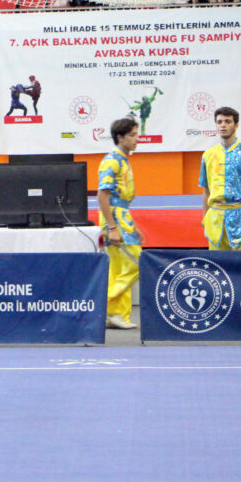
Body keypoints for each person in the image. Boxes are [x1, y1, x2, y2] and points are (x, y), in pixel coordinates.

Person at [199, 107, 241, 250]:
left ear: (236, 125)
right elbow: (206, 190)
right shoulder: (208, 155)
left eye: (227, 121)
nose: (223, 125)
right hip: (215, 222)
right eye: (219, 122)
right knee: (217, 263)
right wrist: (206, 219)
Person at [98, 117, 144, 330]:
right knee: (136, 262)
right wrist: (112, 227)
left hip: (123, 217)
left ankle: (117, 315)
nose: (137, 139)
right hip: (115, 219)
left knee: (119, 269)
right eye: (132, 135)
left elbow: (122, 201)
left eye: (137, 134)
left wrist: (134, 227)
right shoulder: (112, 161)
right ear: (120, 137)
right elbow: (102, 195)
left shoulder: (124, 160)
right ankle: (106, 304)